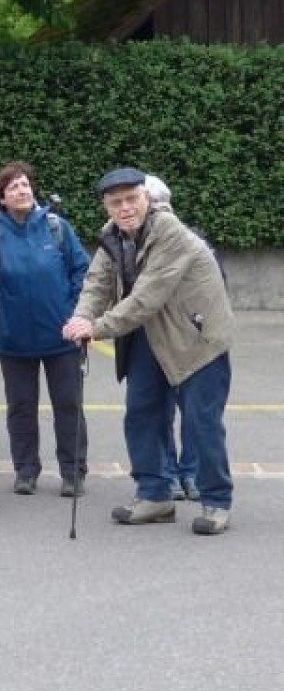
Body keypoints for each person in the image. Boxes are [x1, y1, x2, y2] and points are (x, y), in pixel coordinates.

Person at [63, 167, 235, 535]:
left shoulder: (170, 233)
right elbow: (97, 282)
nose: (125, 208)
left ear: (146, 198)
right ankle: (155, 495)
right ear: (106, 207)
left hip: (197, 338)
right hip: (146, 336)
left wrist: (95, 328)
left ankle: (216, 501)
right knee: (141, 414)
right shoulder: (113, 236)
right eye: (116, 202)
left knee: (202, 424)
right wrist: (80, 317)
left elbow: (146, 298)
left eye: (131, 199)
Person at [0, 162, 91, 497]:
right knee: (20, 407)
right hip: (13, 339)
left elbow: (82, 271)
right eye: (13, 187)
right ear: (2, 199)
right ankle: (26, 471)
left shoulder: (56, 227)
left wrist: (76, 313)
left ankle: (73, 472)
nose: (22, 191)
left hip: (60, 337)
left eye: (25, 185)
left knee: (68, 406)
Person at [144, 175, 202, 502]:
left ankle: (190, 474)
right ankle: (168, 476)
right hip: (150, 342)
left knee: (191, 411)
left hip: (186, 341)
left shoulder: (191, 240)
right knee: (158, 412)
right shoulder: (130, 243)